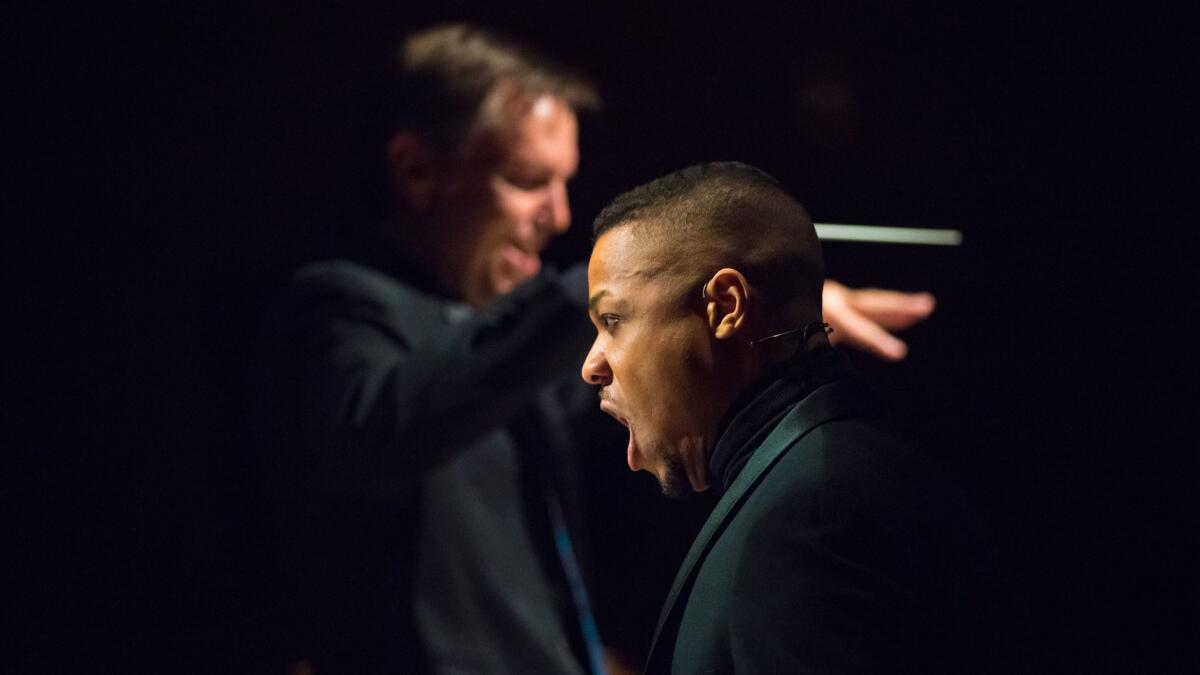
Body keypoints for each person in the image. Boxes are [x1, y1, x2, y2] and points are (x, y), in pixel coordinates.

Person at [257, 24, 936, 673]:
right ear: (416, 171)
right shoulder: (333, 309)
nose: (556, 215)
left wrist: (760, 306)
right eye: (528, 181)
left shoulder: (516, 351)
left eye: (564, 183)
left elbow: (657, 391)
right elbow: (388, 425)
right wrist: (609, 281)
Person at [581, 162, 1030, 674]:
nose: (591, 366)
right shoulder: (828, 473)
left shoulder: (809, 515)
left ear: (726, 306)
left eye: (612, 320)